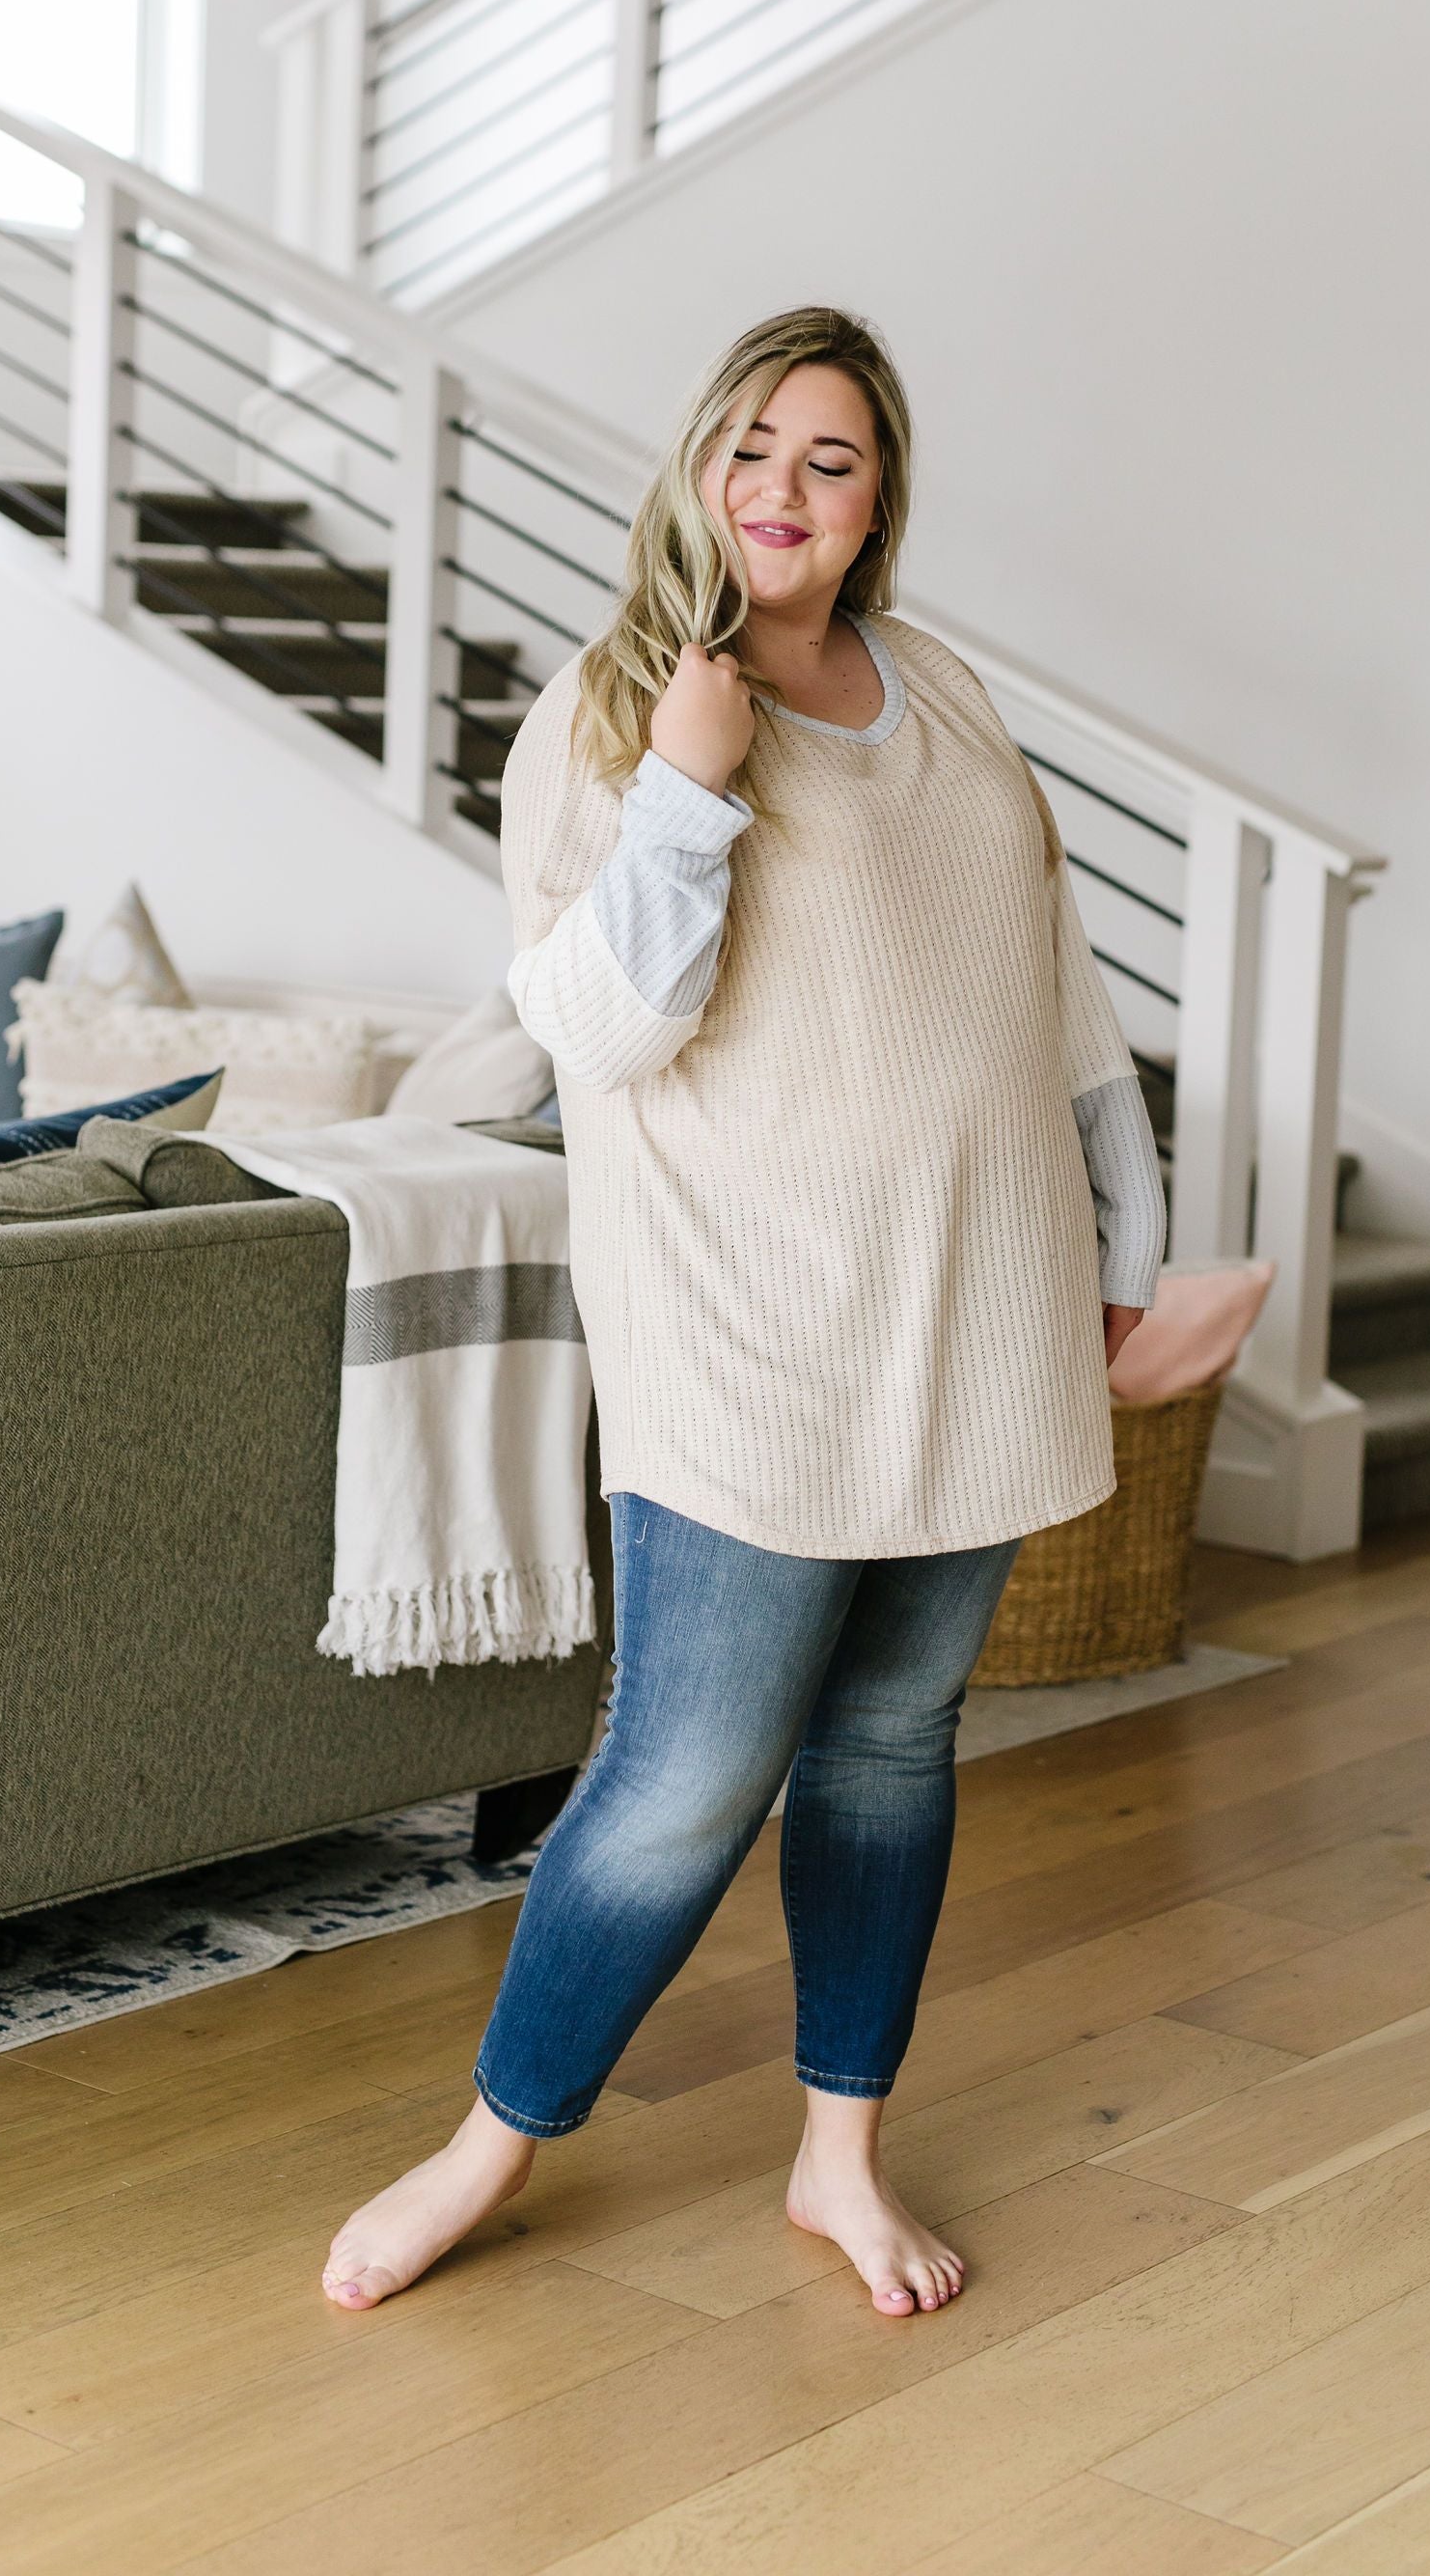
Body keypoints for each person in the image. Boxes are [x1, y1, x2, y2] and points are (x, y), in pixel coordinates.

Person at [322, 305, 1165, 2318]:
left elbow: (1055, 983)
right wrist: (689, 794)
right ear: (700, 469)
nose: (786, 489)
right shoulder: (609, 710)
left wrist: (1124, 1240)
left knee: (890, 1745)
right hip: (747, 1330)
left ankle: (838, 2156)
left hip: (978, 1301)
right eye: (754, 449)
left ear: (878, 504)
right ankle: (489, 2146)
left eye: (832, 459)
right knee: (685, 1774)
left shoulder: (942, 690)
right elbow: (599, 1033)